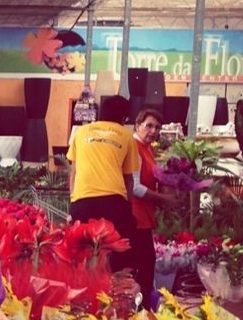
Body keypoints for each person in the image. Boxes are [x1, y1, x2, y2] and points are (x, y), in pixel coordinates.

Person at [67, 93, 138, 274]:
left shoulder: (81, 132)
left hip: (82, 201)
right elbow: (128, 178)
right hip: (113, 202)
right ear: (124, 116)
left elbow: (73, 172)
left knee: (81, 253)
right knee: (119, 253)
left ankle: (83, 293)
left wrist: (73, 203)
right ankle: (115, 293)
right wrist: (128, 207)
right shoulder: (126, 136)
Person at [129, 105, 176, 307]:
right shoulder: (134, 148)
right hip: (135, 218)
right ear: (137, 126)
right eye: (149, 126)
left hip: (145, 217)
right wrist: (163, 199)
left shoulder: (147, 149)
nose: (154, 131)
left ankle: (142, 311)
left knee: (145, 269)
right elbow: (135, 188)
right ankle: (141, 312)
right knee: (143, 269)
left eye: (157, 127)